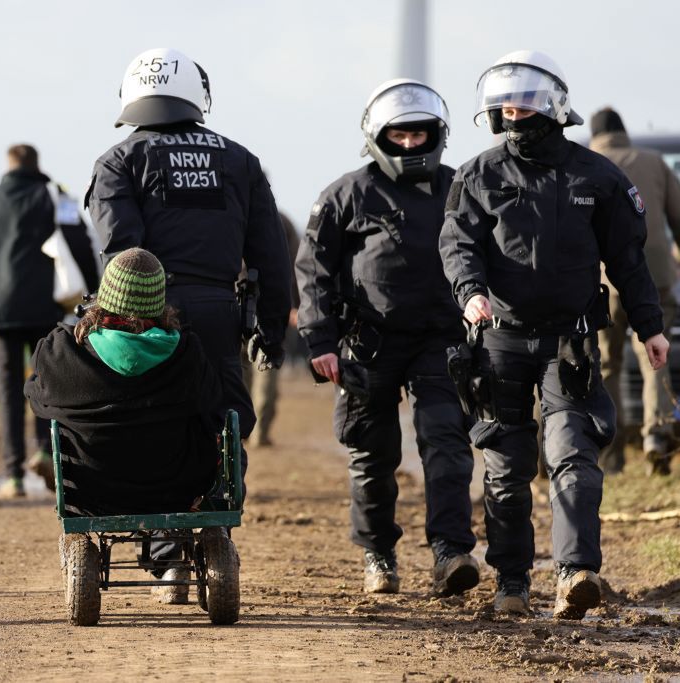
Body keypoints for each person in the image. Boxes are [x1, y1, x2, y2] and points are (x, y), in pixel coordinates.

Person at [440, 51, 668, 619]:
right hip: (500, 343)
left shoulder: (597, 176)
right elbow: (458, 244)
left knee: (574, 457)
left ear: (552, 105)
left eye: (523, 102)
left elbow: (628, 261)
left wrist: (650, 327)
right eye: (504, 105)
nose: (513, 113)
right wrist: (469, 291)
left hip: (571, 344)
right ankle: (512, 582)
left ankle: (575, 573)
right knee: (506, 466)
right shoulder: (478, 176)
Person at [86, 48, 293, 603]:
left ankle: (166, 556)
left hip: (144, 314)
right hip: (218, 314)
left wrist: (125, 317)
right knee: (223, 420)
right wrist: (270, 332)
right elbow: (271, 256)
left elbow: (119, 252)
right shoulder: (240, 161)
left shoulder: (118, 161)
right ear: (197, 95)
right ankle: (213, 519)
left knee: (149, 421)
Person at [295, 79, 478, 597]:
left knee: (447, 444)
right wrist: (319, 341)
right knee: (372, 455)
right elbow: (313, 272)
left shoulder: (461, 186)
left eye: (420, 136)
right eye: (399, 136)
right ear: (377, 137)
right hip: (367, 343)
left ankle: (451, 553)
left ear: (437, 135)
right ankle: (379, 553)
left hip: (443, 340)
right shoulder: (345, 194)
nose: (410, 144)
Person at [25, 248, 220, 517]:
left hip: (88, 495)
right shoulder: (187, 355)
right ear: (158, 301)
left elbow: (35, 398)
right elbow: (213, 410)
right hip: (174, 495)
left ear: (104, 295)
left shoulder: (60, 353)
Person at [0, 144, 99, 499]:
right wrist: (92, 293)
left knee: (9, 389)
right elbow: (78, 241)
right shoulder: (54, 195)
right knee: (46, 381)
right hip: (44, 305)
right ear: (37, 164)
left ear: (9, 165)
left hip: (1, 309)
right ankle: (45, 451)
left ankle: (14, 475)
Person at [589, 107, 680, 475]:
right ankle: (656, 435)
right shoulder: (655, 162)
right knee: (653, 355)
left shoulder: (587, 163)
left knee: (606, 362)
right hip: (655, 273)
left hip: (602, 280)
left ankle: (610, 454)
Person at [242, 210, 301, 448]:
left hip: (233, 301)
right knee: (265, 367)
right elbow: (295, 266)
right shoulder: (281, 221)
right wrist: (294, 305)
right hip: (270, 305)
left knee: (240, 371)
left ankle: (243, 430)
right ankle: (259, 433)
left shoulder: (231, 211)